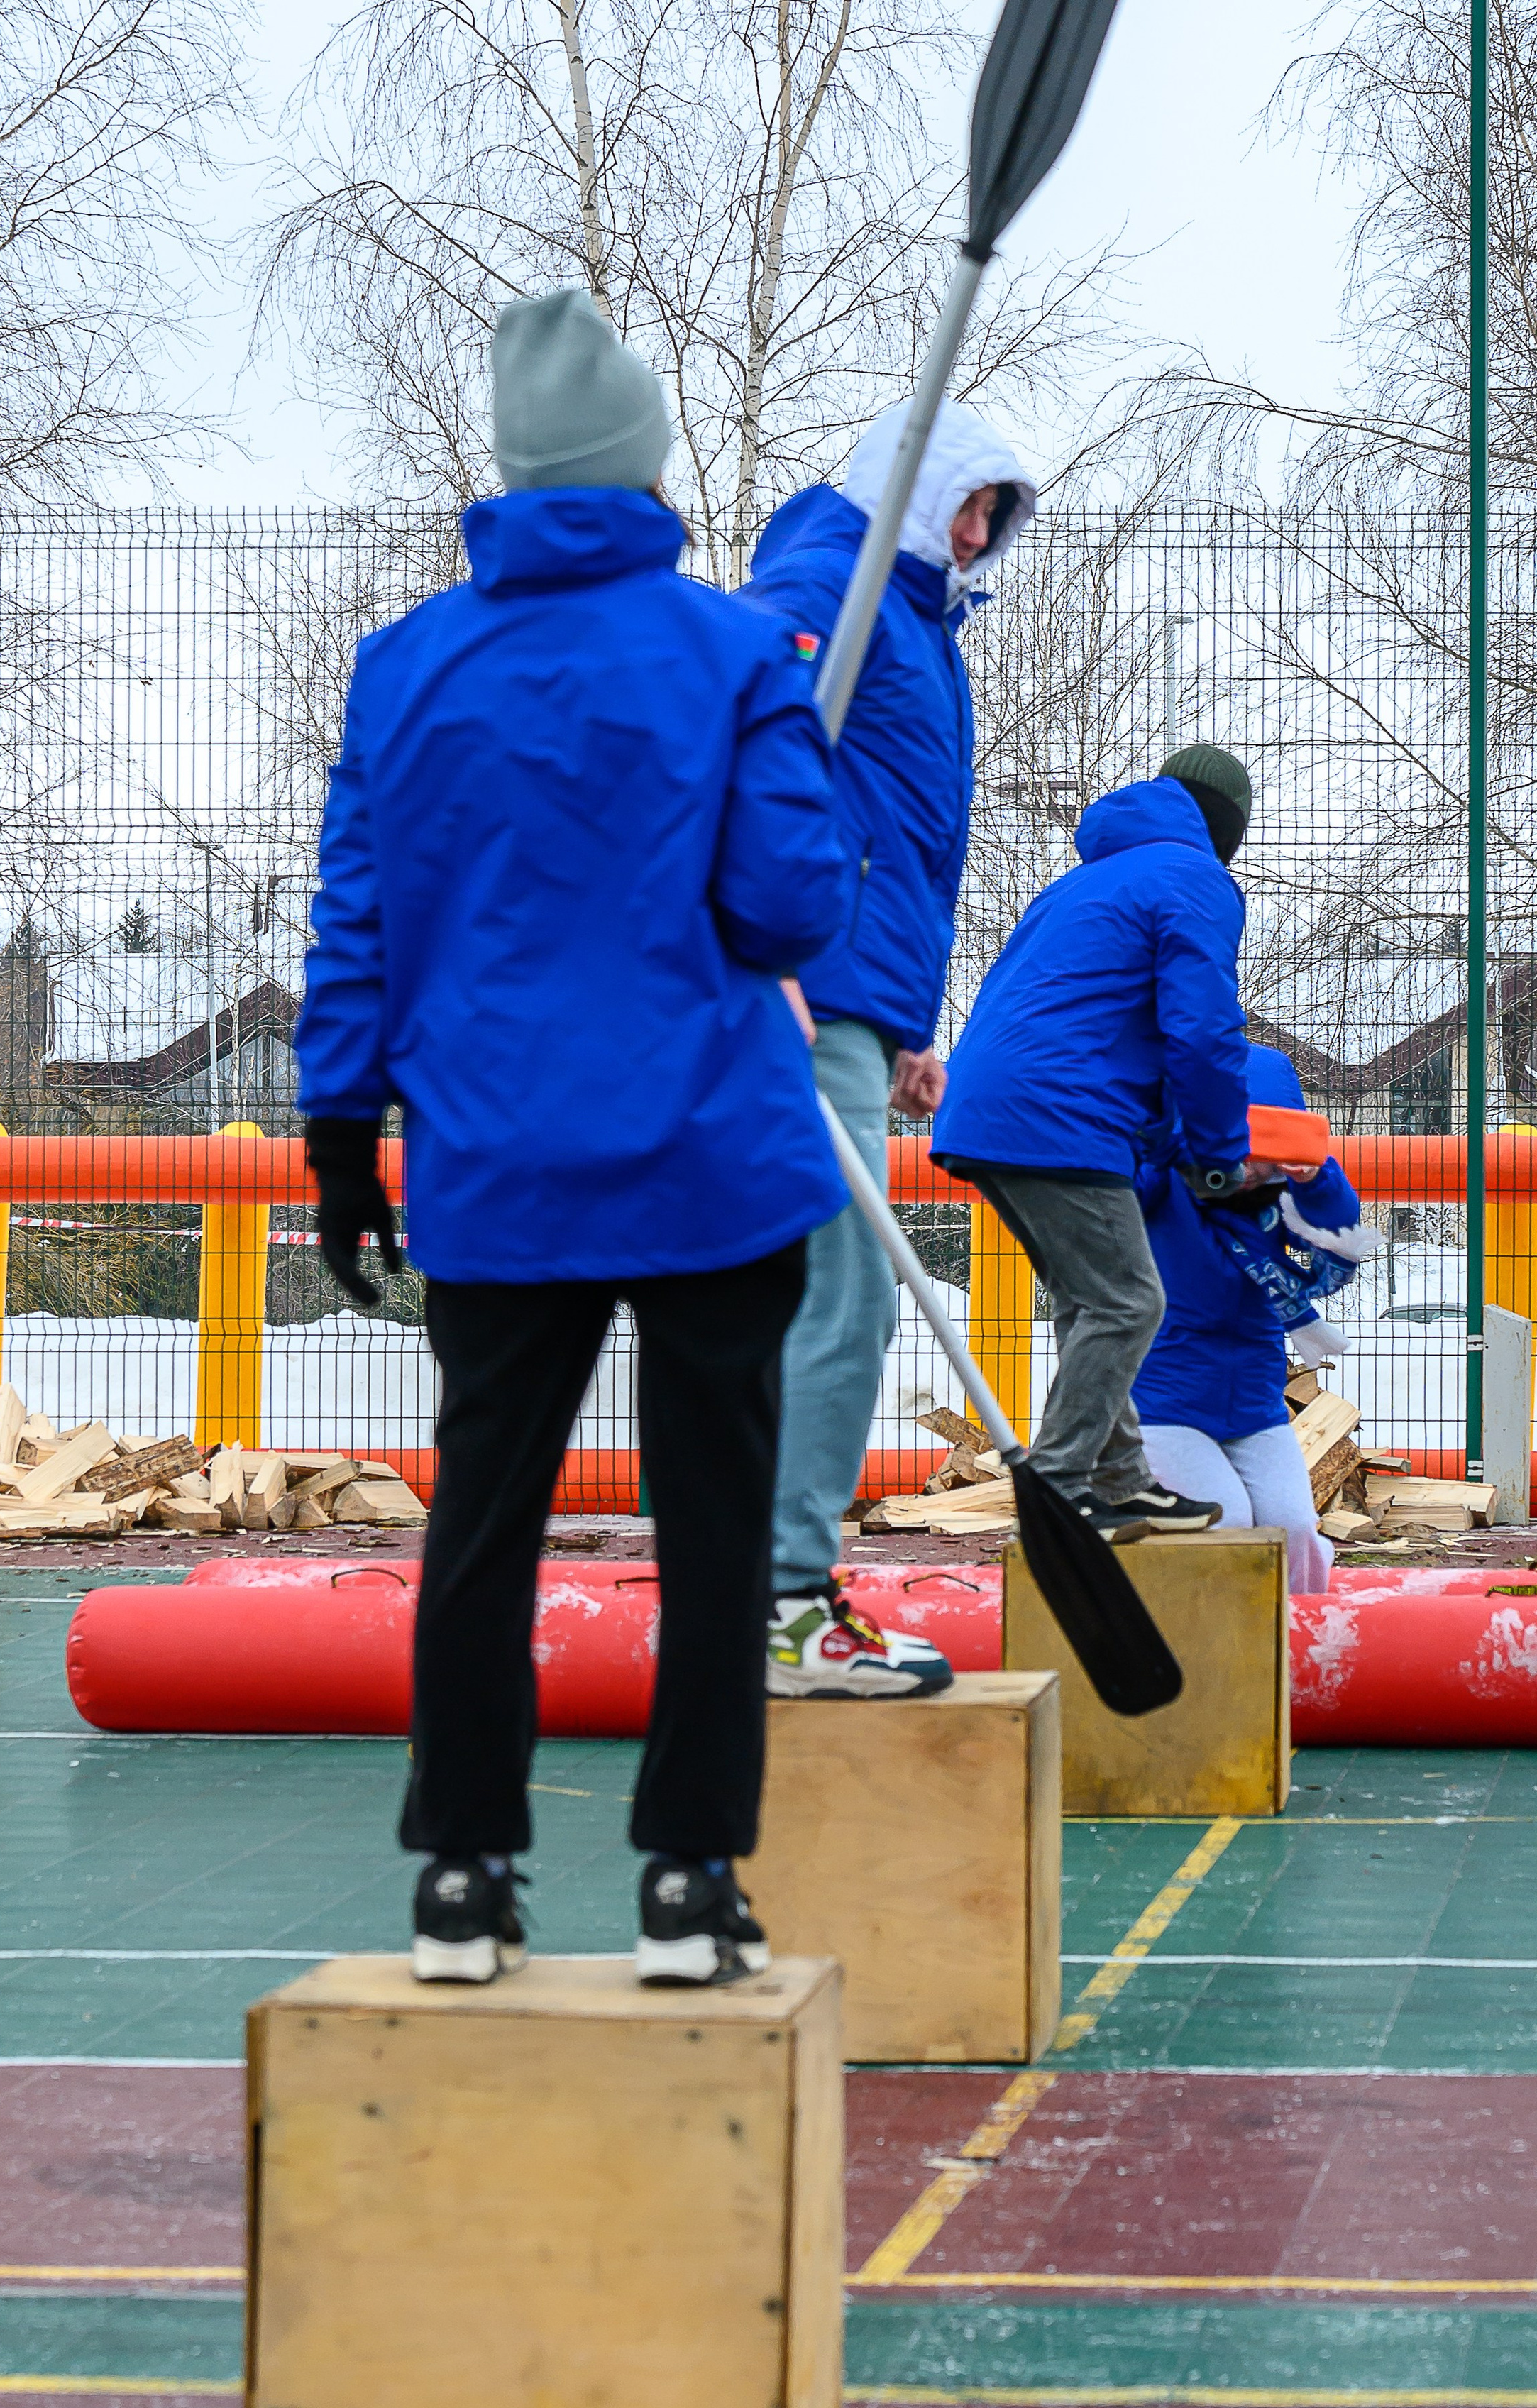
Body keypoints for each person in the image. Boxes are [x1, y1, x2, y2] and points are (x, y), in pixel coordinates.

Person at [294, 289, 848, 1989]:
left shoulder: (406, 665)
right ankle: (689, 1880)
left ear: (512, 463)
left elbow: (357, 916)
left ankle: (461, 1872)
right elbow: (784, 906)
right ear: (644, 455)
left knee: (485, 1521)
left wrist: (339, 1127)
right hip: (707, 1159)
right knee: (710, 1525)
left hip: (495, 1163)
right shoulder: (733, 648)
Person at [738, 400, 1039, 1695]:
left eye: (994, 516)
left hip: (856, 1003)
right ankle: (782, 1605)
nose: (978, 535)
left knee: (808, 1297)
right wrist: (769, 956)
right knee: (840, 1292)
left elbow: (900, 847)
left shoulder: (921, 630)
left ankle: (764, 1592)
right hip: (796, 999)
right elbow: (734, 763)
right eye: (968, 502)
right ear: (911, 491)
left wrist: (912, 1027)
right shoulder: (824, 593)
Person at [931, 744, 1277, 1541]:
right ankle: (1056, 1495)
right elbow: (1200, 1033)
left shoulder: (1086, 881)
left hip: (991, 1108)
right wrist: (1221, 1155)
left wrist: (1162, 1141)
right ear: (1228, 827)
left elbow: (1104, 1023)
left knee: (1093, 1301)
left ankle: (1121, 1480)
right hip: (1056, 1115)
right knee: (1130, 1301)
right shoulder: (1196, 879)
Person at [1133, 1043, 1378, 1593]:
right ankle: (1210, 1648)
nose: (1245, 1170)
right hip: (1161, 1400)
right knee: (1227, 1524)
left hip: (1250, 1402)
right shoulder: (1164, 1180)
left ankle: (1304, 1645)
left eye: (1262, 1153)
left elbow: (1337, 1239)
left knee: (1291, 1529)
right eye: (1231, 1151)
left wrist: (1314, 1178)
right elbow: (1122, 1178)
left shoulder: (1277, 1196)